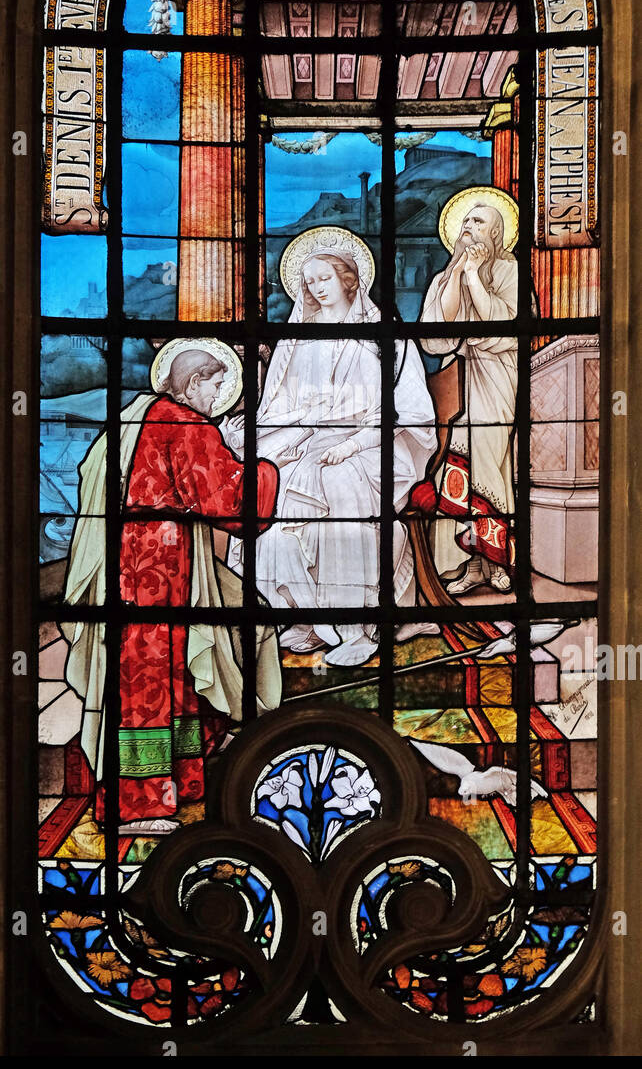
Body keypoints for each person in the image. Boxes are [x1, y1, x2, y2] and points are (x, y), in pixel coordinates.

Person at [61, 339, 282, 836]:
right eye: (218, 383)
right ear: (194, 382)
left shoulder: (138, 416)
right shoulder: (183, 424)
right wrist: (266, 469)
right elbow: (228, 501)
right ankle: (137, 803)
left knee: (158, 672)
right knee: (151, 677)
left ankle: (179, 779)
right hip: (161, 562)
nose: (221, 394)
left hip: (129, 556)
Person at [225, 228, 439, 667]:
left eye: (324, 278)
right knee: (269, 481)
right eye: (308, 282)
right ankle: (302, 615)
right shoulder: (298, 337)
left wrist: (354, 441)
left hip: (372, 444)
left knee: (336, 486)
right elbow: (280, 404)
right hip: (308, 438)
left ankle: (356, 625)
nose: (316, 288)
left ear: (349, 279)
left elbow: (406, 408)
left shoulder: (383, 335)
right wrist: (282, 436)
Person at [420, 188, 518, 595]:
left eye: (479, 222)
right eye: (465, 222)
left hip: (498, 381)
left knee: (489, 469)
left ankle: (496, 563)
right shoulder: (447, 276)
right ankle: (475, 564)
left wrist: (477, 276)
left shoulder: (511, 272)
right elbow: (437, 337)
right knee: (460, 469)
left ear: (496, 234)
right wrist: (459, 274)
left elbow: (500, 327)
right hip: (463, 384)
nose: (469, 229)